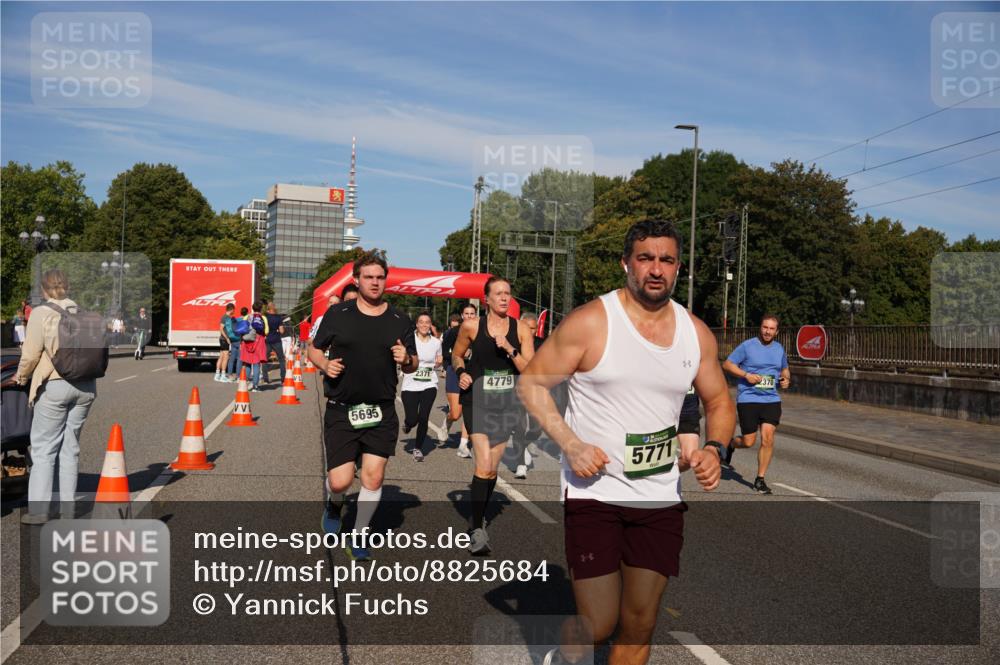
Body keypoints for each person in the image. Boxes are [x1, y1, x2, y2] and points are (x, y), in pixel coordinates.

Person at [517, 220, 735, 665]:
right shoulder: (592, 322)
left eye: (667, 260)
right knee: (598, 623)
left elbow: (719, 401)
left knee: (638, 625)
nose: (656, 269)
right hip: (594, 493)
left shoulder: (696, 332)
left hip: (658, 498)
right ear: (626, 263)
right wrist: (571, 444)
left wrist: (715, 448)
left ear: (679, 268)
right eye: (646, 258)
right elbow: (532, 384)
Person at [307, 251, 418, 561]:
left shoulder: (399, 319)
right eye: (368, 277)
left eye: (380, 277)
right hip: (343, 408)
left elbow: (413, 362)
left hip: (381, 410)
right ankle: (334, 503)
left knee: (373, 477)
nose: (374, 282)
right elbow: (312, 350)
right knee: (340, 481)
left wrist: (406, 360)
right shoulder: (339, 314)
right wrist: (325, 365)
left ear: (386, 281)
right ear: (356, 279)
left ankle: (359, 534)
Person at [451, 277, 536, 554]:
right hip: (477, 401)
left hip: (506, 405)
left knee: (492, 470)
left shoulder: (522, 329)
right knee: (483, 464)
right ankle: (477, 528)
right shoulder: (471, 326)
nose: (503, 298)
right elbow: (457, 355)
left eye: (507, 294)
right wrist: (462, 373)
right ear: (485, 299)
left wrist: (509, 349)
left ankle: (480, 518)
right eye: (498, 294)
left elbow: (530, 369)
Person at [15, 270, 98, 524]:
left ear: (44, 290)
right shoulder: (82, 312)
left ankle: (40, 512)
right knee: (70, 449)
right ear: (68, 287)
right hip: (86, 386)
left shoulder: (42, 313)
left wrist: (20, 378)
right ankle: (68, 510)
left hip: (55, 385)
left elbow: (30, 355)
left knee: (43, 450)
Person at [721, 314, 790, 495]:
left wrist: (786, 380)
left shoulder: (779, 349)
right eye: (765, 327)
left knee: (768, 438)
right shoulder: (748, 346)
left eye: (771, 329)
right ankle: (730, 445)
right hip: (749, 398)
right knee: (749, 441)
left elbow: (784, 369)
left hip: (771, 400)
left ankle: (760, 479)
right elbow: (727, 365)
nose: (767, 331)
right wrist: (746, 375)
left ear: (777, 332)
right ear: (760, 328)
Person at [401, 312, 443, 462]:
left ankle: (418, 448)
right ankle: (407, 424)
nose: (424, 325)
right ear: (417, 325)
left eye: (427, 322)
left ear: (430, 325)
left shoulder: (436, 343)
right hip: (410, 384)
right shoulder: (409, 340)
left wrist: (439, 362)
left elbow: (439, 360)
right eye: (421, 322)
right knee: (413, 419)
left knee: (424, 417)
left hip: (429, 383)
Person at [510, 311, 545, 479]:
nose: (531, 331)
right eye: (527, 327)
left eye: (534, 328)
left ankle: (525, 444)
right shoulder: (512, 343)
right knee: (520, 427)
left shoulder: (542, 344)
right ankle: (520, 464)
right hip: (515, 390)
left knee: (538, 428)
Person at [442, 304, 478, 458]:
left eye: (472, 313)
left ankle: (463, 444)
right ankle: (447, 422)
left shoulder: (480, 332)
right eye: (466, 313)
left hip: (474, 372)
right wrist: (461, 354)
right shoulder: (453, 332)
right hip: (455, 371)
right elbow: (445, 352)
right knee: (456, 413)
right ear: (462, 316)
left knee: (469, 409)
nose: (469, 316)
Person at [240, 302, 268, 391]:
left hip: (247, 342)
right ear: (260, 309)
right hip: (258, 342)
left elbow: (241, 329)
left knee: (247, 363)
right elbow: (266, 331)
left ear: (252, 308)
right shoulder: (263, 318)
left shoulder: (246, 317)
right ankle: (255, 386)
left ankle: (246, 383)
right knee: (256, 364)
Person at [262, 303, 286, 385]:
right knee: (281, 360)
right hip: (277, 340)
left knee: (264, 359)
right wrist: (279, 330)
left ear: (268, 309)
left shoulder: (265, 318)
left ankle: (265, 379)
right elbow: (282, 331)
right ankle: (283, 379)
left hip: (267, 340)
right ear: (274, 309)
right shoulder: (279, 318)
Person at [215, 303, 236, 382]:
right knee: (226, 357)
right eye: (233, 310)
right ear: (231, 309)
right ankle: (223, 375)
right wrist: (227, 338)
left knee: (221, 356)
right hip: (224, 339)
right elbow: (221, 328)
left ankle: (217, 375)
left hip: (222, 339)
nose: (234, 311)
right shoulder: (226, 318)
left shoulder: (225, 317)